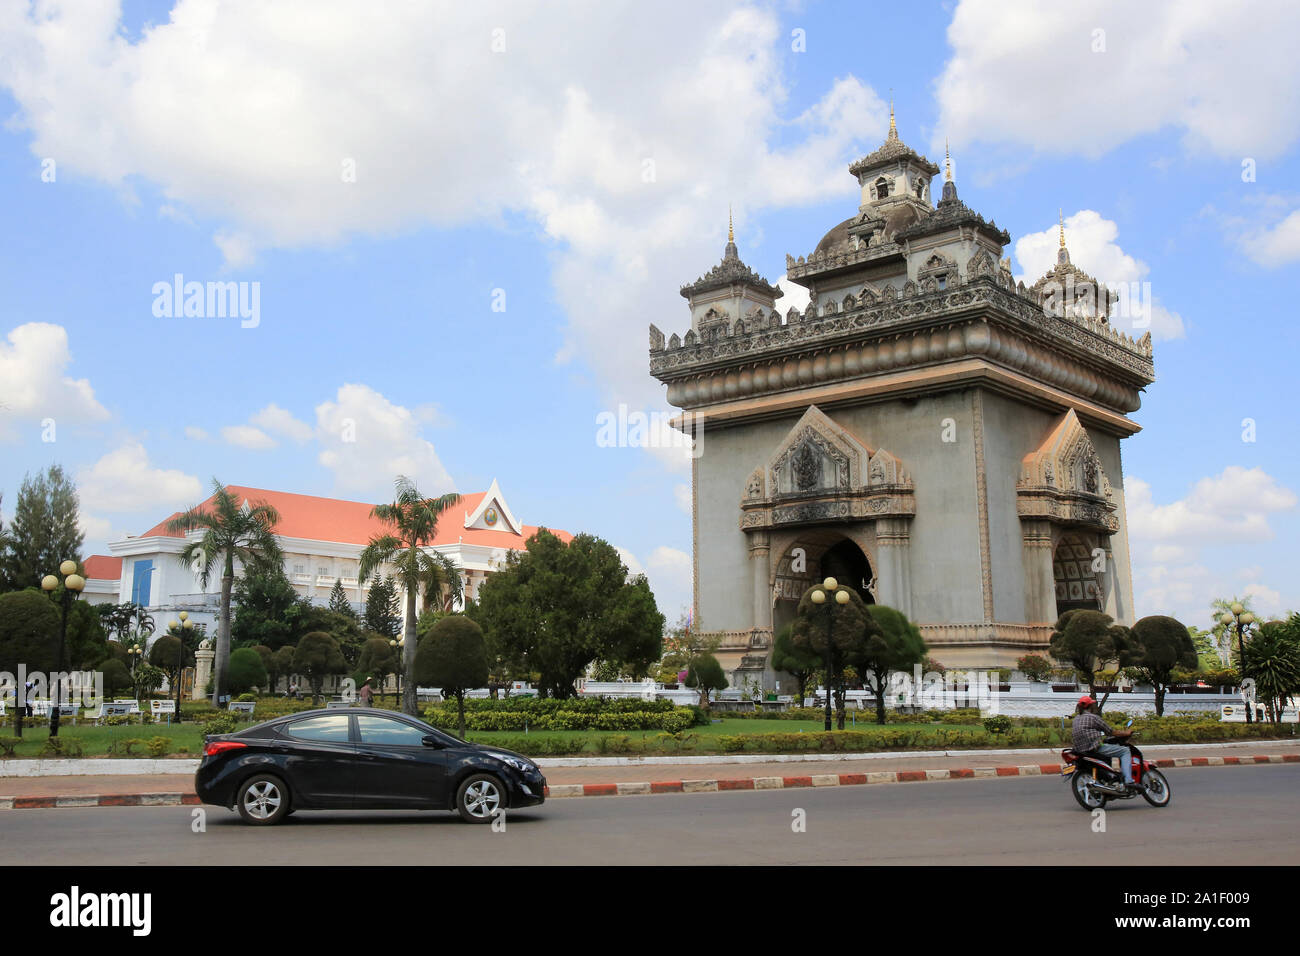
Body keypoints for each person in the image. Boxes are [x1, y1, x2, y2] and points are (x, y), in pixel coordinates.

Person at [1071, 695, 1136, 790]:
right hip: (1094, 748)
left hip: (1080, 750)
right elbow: (1111, 731)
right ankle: (1129, 781)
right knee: (1125, 751)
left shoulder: (1076, 719)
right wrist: (1126, 732)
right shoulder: (1093, 717)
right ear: (1091, 706)